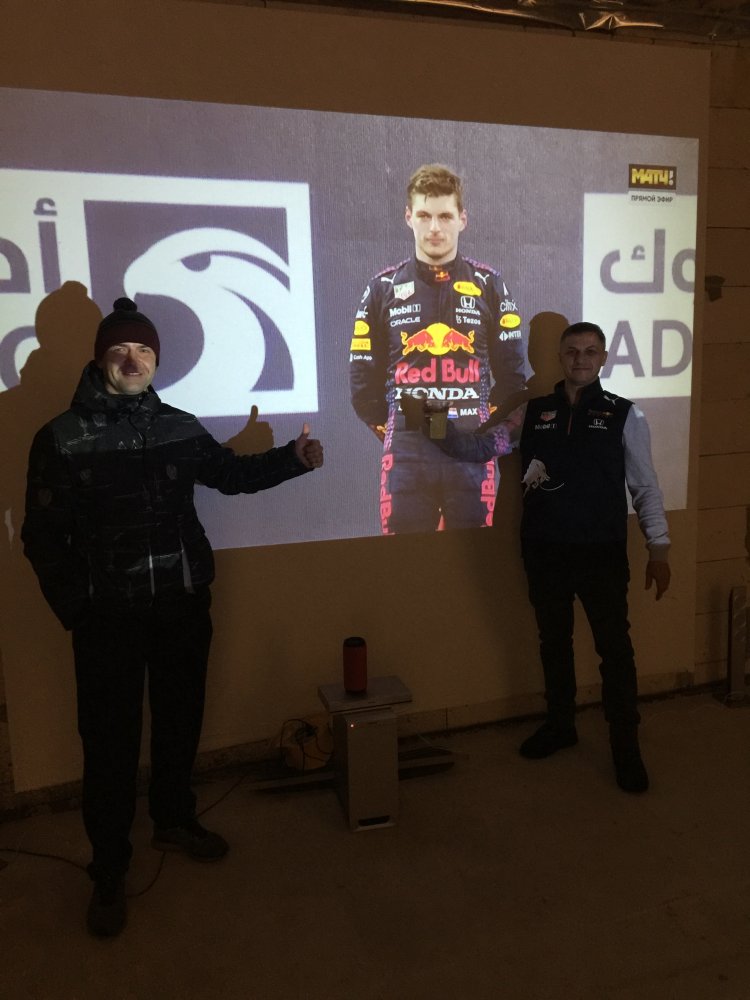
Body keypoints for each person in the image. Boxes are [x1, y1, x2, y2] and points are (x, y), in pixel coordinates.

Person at [22, 297, 324, 938]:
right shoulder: (61, 437)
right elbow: (42, 539)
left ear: (156, 360)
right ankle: (109, 867)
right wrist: (79, 610)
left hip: (182, 605)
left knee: (181, 720)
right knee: (109, 743)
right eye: (120, 350)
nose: (133, 361)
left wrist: (291, 460)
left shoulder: (178, 427)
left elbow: (229, 475)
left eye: (144, 351)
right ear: (100, 358)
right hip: (108, 618)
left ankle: (174, 820)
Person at [428, 321, 670, 793]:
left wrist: (658, 547)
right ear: (559, 357)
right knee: (553, 643)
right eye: (572, 351)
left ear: (603, 359)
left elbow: (645, 487)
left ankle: (626, 747)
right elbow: (478, 448)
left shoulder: (625, 415)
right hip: (544, 549)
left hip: (601, 553)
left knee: (615, 651)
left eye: (590, 351)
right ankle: (561, 726)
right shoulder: (532, 413)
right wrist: (436, 421)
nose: (580, 359)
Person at [349, 163, 526, 534]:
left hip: (472, 451)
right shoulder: (382, 288)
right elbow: (363, 385)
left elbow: (512, 379)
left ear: (462, 219)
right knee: (406, 561)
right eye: (424, 216)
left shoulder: (489, 284)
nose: (434, 228)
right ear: (408, 217)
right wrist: (403, 427)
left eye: (445, 216)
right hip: (407, 453)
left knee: (475, 559)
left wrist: (479, 432)